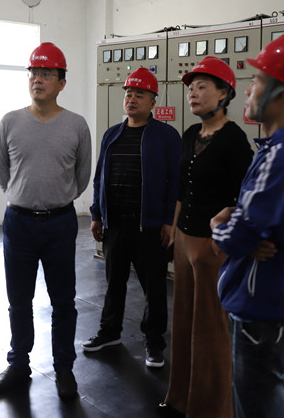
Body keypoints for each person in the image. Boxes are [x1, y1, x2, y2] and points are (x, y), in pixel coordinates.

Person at [211, 31, 284, 418]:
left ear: (281, 94)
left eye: (258, 80)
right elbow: (257, 217)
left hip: (264, 308)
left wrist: (219, 226)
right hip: (278, 305)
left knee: (258, 406)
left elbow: (239, 234)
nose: (248, 90)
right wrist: (243, 223)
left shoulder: (283, 156)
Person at [0, 42, 92, 399]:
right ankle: (19, 363)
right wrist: (23, 195)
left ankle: (64, 367)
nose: (37, 79)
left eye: (46, 73)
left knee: (63, 301)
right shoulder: (10, 122)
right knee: (19, 300)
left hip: (60, 223)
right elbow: (1, 171)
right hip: (18, 223)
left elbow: (82, 177)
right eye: (33, 72)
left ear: (61, 82)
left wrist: (55, 197)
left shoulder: (76, 125)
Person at [160, 57, 253, 418]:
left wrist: (223, 240)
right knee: (183, 322)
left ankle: (211, 409)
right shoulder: (189, 135)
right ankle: (180, 399)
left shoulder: (234, 140)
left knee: (211, 330)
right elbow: (182, 190)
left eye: (202, 87)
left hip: (213, 247)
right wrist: (173, 230)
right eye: (191, 88)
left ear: (224, 93)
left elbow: (245, 198)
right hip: (185, 241)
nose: (193, 94)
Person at [84, 67, 181, 367]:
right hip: (115, 224)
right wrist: (97, 214)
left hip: (149, 226)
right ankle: (109, 332)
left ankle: (154, 342)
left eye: (140, 94)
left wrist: (169, 222)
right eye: (128, 93)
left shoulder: (166, 136)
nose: (132, 99)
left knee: (154, 287)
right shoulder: (112, 135)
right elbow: (99, 178)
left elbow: (175, 183)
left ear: (153, 101)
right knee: (114, 282)